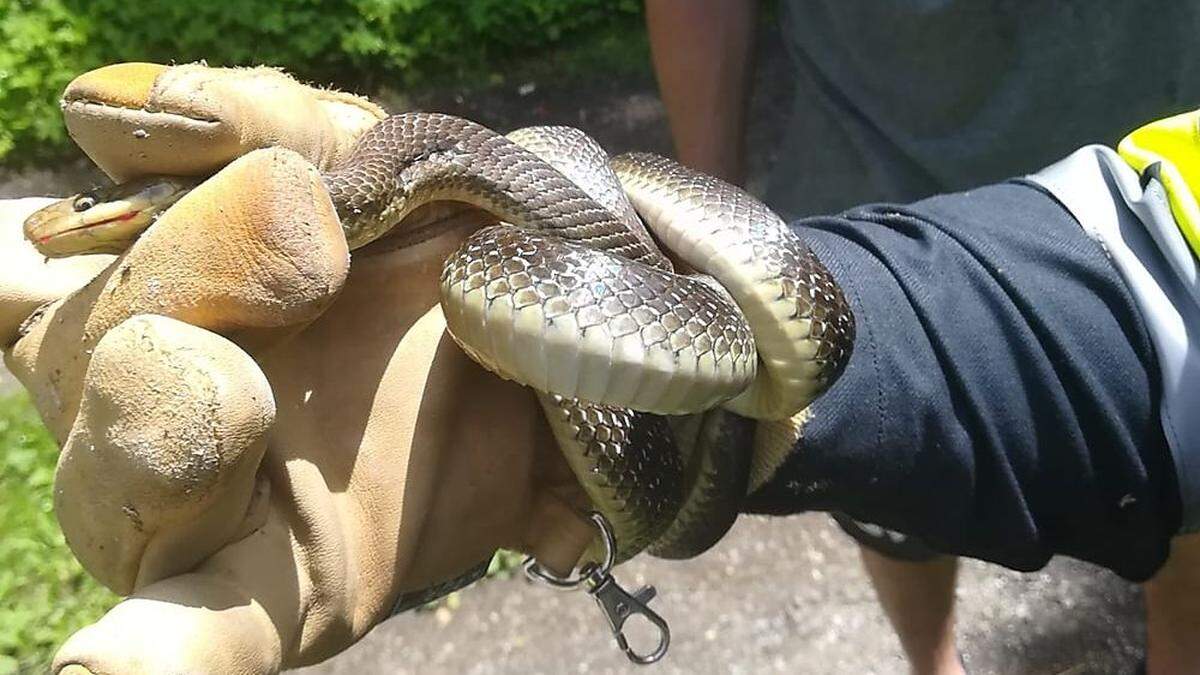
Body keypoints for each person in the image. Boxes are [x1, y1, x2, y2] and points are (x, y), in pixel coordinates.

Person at [8, 60, 1200, 674]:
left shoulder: (411, 178)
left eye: (95, 208)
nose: (78, 221)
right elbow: (1149, 277)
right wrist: (564, 423)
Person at [645, 1, 1200, 672]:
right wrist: (697, 215)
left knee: (1184, 471)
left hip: (1150, 189)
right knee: (892, 488)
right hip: (880, 182)